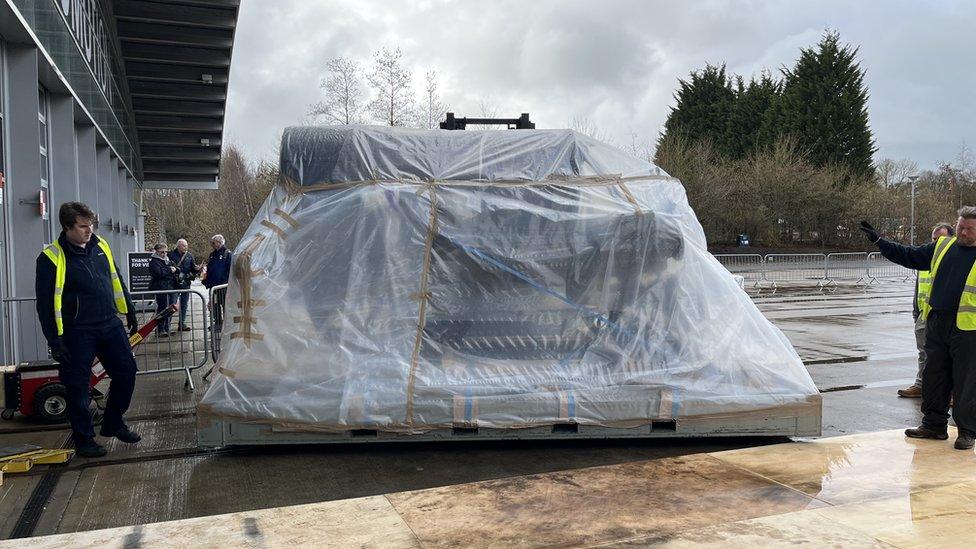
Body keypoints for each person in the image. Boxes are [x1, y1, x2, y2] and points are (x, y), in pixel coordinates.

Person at [861, 207, 976, 450]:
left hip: (969, 329)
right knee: (934, 376)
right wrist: (880, 242)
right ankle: (933, 425)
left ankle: (967, 432)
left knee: (966, 382)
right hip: (937, 321)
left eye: (969, 229)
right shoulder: (943, 246)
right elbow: (909, 255)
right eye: (961, 227)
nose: (963, 233)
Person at [35, 202, 141, 458]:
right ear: (67, 227)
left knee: (127, 372)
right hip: (77, 331)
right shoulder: (51, 258)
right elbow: (46, 303)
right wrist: (55, 340)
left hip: (109, 323)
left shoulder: (100, 246)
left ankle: (113, 422)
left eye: (91, 225)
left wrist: (129, 309)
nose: (89, 231)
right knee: (78, 388)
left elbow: (116, 278)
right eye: (83, 226)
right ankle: (84, 439)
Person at [898, 222, 954, 398]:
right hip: (924, 314)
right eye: (934, 239)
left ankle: (952, 392)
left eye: (941, 239)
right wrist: (917, 312)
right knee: (924, 352)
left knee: (948, 356)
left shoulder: (953, 259)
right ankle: (921, 385)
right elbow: (919, 289)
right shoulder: (927, 259)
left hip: (945, 315)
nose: (937, 243)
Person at [168, 238, 201, 332]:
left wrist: (197, 269)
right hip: (174, 284)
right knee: (172, 305)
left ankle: (182, 324)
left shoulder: (189, 255)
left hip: (185, 283)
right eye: (184, 245)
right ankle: (167, 326)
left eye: (186, 245)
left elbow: (193, 268)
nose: (186, 247)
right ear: (178, 246)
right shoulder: (170, 255)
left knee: (184, 305)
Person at [203, 234, 232, 332]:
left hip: (224, 286)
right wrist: (206, 281)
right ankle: (218, 323)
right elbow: (210, 269)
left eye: (213, 243)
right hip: (214, 286)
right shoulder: (212, 255)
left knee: (225, 305)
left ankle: (227, 324)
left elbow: (230, 270)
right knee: (215, 305)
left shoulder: (227, 254)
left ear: (219, 242)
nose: (212, 245)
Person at [149, 242, 177, 337]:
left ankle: (167, 327)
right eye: (162, 252)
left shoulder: (168, 260)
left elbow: (176, 268)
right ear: (156, 252)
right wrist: (169, 270)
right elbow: (158, 273)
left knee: (170, 309)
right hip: (161, 288)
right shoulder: (154, 262)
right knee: (162, 309)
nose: (164, 254)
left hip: (170, 287)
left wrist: (174, 270)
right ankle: (160, 328)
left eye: (165, 251)